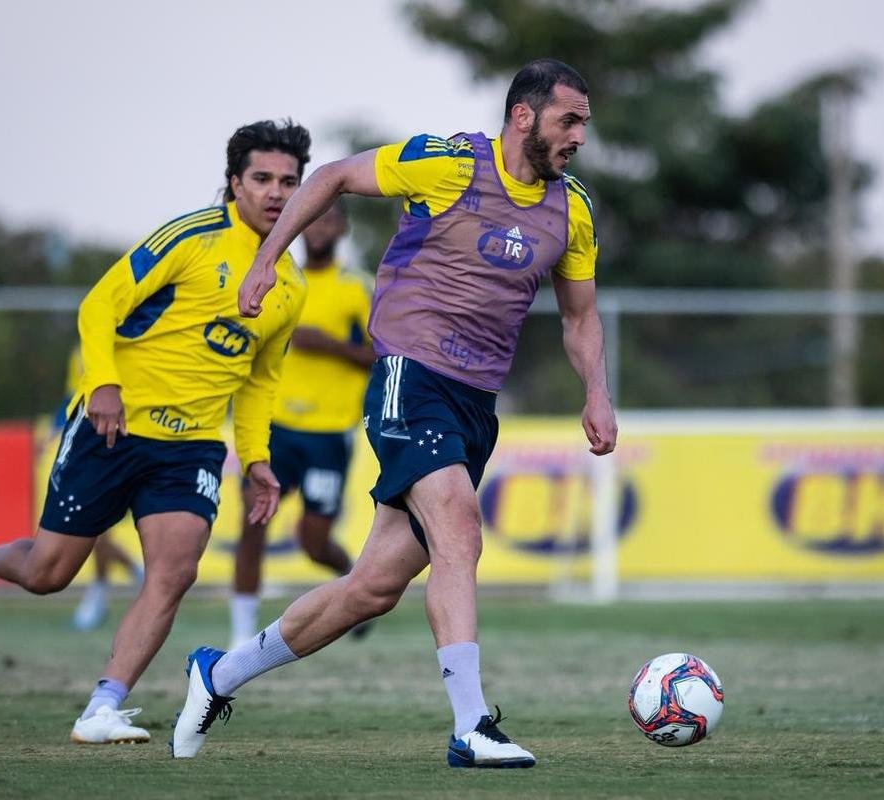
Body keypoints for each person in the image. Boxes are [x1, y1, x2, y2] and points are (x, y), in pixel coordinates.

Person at [172, 59, 617, 768]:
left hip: (474, 405)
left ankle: (217, 675)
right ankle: (472, 724)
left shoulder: (573, 209)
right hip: (409, 377)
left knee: (371, 589)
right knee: (459, 526)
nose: (579, 137)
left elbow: (580, 316)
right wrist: (266, 256)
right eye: (569, 121)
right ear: (523, 117)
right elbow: (333, 177)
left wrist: (595, 390)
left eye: (584, 125)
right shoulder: (444, 163)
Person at [0, 119, 312, 745]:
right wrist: (102, 384)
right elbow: (100, 304)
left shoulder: (290, 283)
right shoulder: (192, 237)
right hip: (114, 426)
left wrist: (257, 457)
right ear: (233, 182)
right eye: (261, 178)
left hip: (192, 448)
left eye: (288, 182)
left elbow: (260, 380)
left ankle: (102, 706)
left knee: (174, 572)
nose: (274, 192)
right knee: (49, 574)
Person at [229, 201, 374, 648]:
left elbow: (383, 355)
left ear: (342, 228)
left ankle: (356, 583)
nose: (318, 230)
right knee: (252, 523)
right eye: (312, 222)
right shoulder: (280, 279)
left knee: (313, 542)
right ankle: (239, 636)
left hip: (329, 435)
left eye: (329, 220)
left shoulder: (356, 288)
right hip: (274, 427)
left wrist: (329, 345)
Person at [51, 343, 146, 632]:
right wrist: (55, 431)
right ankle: (123, 581)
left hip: (139, 444)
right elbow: (75, 393)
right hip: (95, 448)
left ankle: (130, 585)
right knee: (94, 530)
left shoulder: (142, 340)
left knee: (103, 531)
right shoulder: (82, 350)